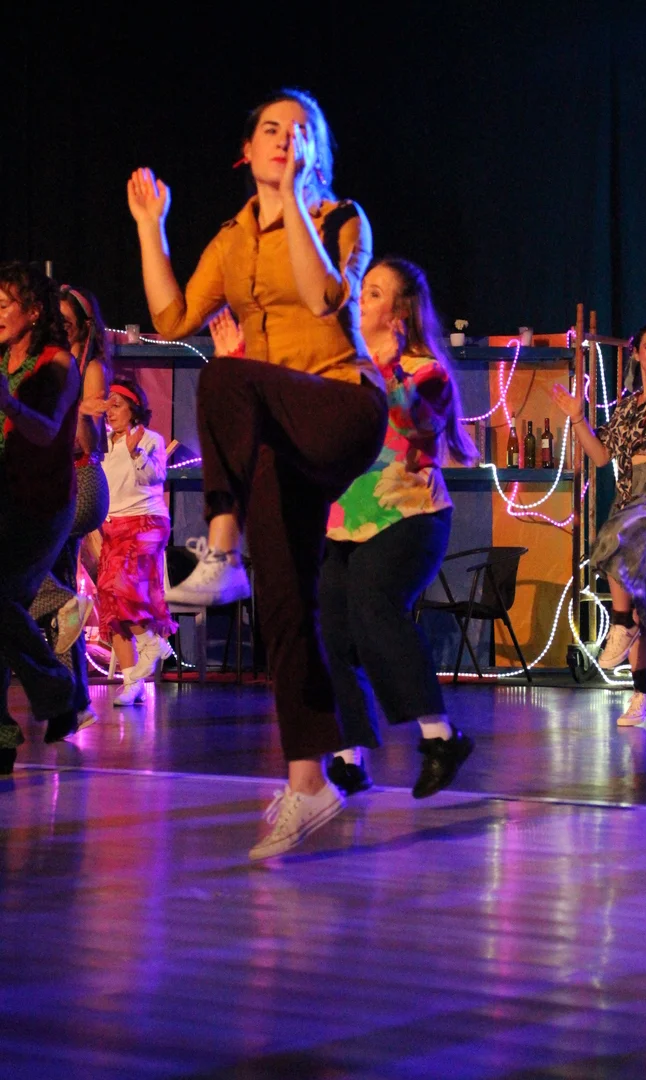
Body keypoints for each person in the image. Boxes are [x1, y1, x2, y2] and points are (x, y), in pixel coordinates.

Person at [127, 89, 387, 859]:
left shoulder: (341, 219)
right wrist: (151, 228)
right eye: (272, 129)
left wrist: (293, 201)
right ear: (247, 151)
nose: (285, 138)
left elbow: (322, 297)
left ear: (316, 151)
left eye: (301, 131)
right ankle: (309, 781)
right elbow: (172, 319)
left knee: (223, 375)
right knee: (285, 603)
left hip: (342, 406)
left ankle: (219, 546)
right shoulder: (231, 239)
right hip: (275, 434)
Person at [318, 257, 477, 797]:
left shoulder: (425, 371)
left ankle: (441, 738)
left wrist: (389, 369)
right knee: (331, 626)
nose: (361, 299)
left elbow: (418, 426)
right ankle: (349, 756)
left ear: (399, 313)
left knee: (373, 601)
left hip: (411, 517)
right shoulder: (345, 368)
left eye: (375, 292)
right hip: (345, 523)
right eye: (362, 289)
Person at [552, 321, 646, 725]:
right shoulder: (627, 405)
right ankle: (644, 692)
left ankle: (620, 623)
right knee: (640, 592)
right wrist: (578, 419)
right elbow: (601, 456)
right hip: (631, 493)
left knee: (611, 540)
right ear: (636, 353)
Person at [0, 262, 81, 773]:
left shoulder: (57, 364)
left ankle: (58, 690)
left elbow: (47, 430)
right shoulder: (2, 358)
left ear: (32, 312)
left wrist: (8, 403)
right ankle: (4, 737)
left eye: (3, 304)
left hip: (41, 506)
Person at [28, 285, 112, 729]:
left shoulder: (89, 366)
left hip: (80, 483)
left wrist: (78, 409)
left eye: (67, 319)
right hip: (56, 482)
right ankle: (74, 704)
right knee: (63, 614)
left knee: (29, 575)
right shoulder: (53, 361)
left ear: (84, 324)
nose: (59, 326)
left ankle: (63, 601)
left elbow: (91, 442)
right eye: (54, 319)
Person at [96, 376, 176, 706]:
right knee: (109, 600)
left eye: (117, 406)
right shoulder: (101, 442)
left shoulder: (150, 438)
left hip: (146, 522)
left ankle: (150, 642)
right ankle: (132, 681)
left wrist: (136, 453)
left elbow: (154, 477)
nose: (110, 412)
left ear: (134, 409)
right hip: (113, 526)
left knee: (121, 587)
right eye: (108, 406)